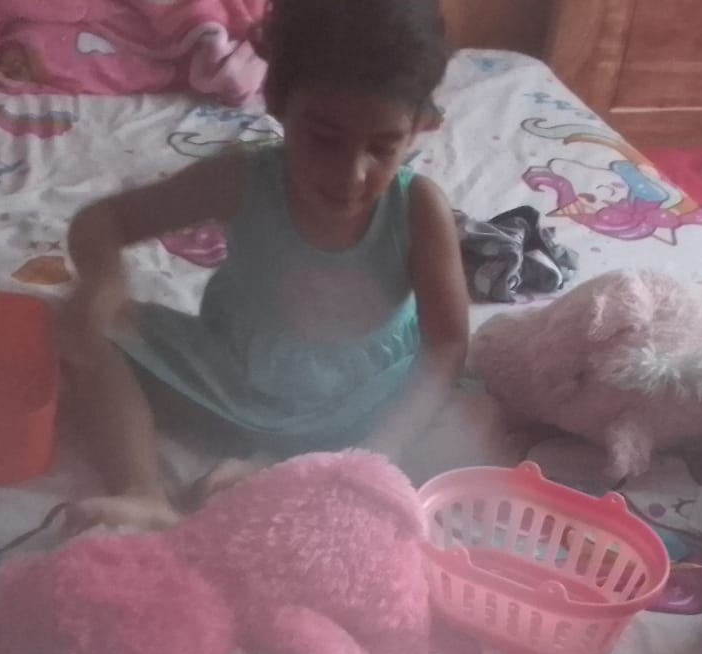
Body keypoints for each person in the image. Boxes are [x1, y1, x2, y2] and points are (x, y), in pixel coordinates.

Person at [60, 0, 472, 533]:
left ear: (418, 127)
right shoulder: (242, 178)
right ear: (278, 102)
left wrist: (375, 454)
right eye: (324, 140)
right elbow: (102, 221)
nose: (350, 175)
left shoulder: (418, 208)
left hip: (360, 401)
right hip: (235, 376)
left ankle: (293, 473)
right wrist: (102, 282)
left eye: (382, 148)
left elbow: (446, 344)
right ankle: (142, 491)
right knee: (80, 330)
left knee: (467, 423)